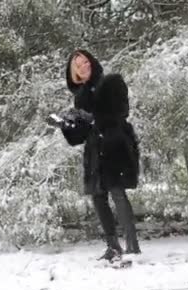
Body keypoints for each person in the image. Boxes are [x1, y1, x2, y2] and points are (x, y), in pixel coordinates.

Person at [49, 49, 141, 261]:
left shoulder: (112, 83)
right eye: (78, 66)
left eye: (85, 61)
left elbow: (121, 112)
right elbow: (80, 136)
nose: (84, 66)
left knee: (118, 193)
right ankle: (113, 246)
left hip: (115, 144)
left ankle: (132, 246)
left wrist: (91, 117)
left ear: (92, 61)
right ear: (75, 75)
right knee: (98, 198)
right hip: (94, 151)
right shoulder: (80, 97)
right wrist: (66, 124)